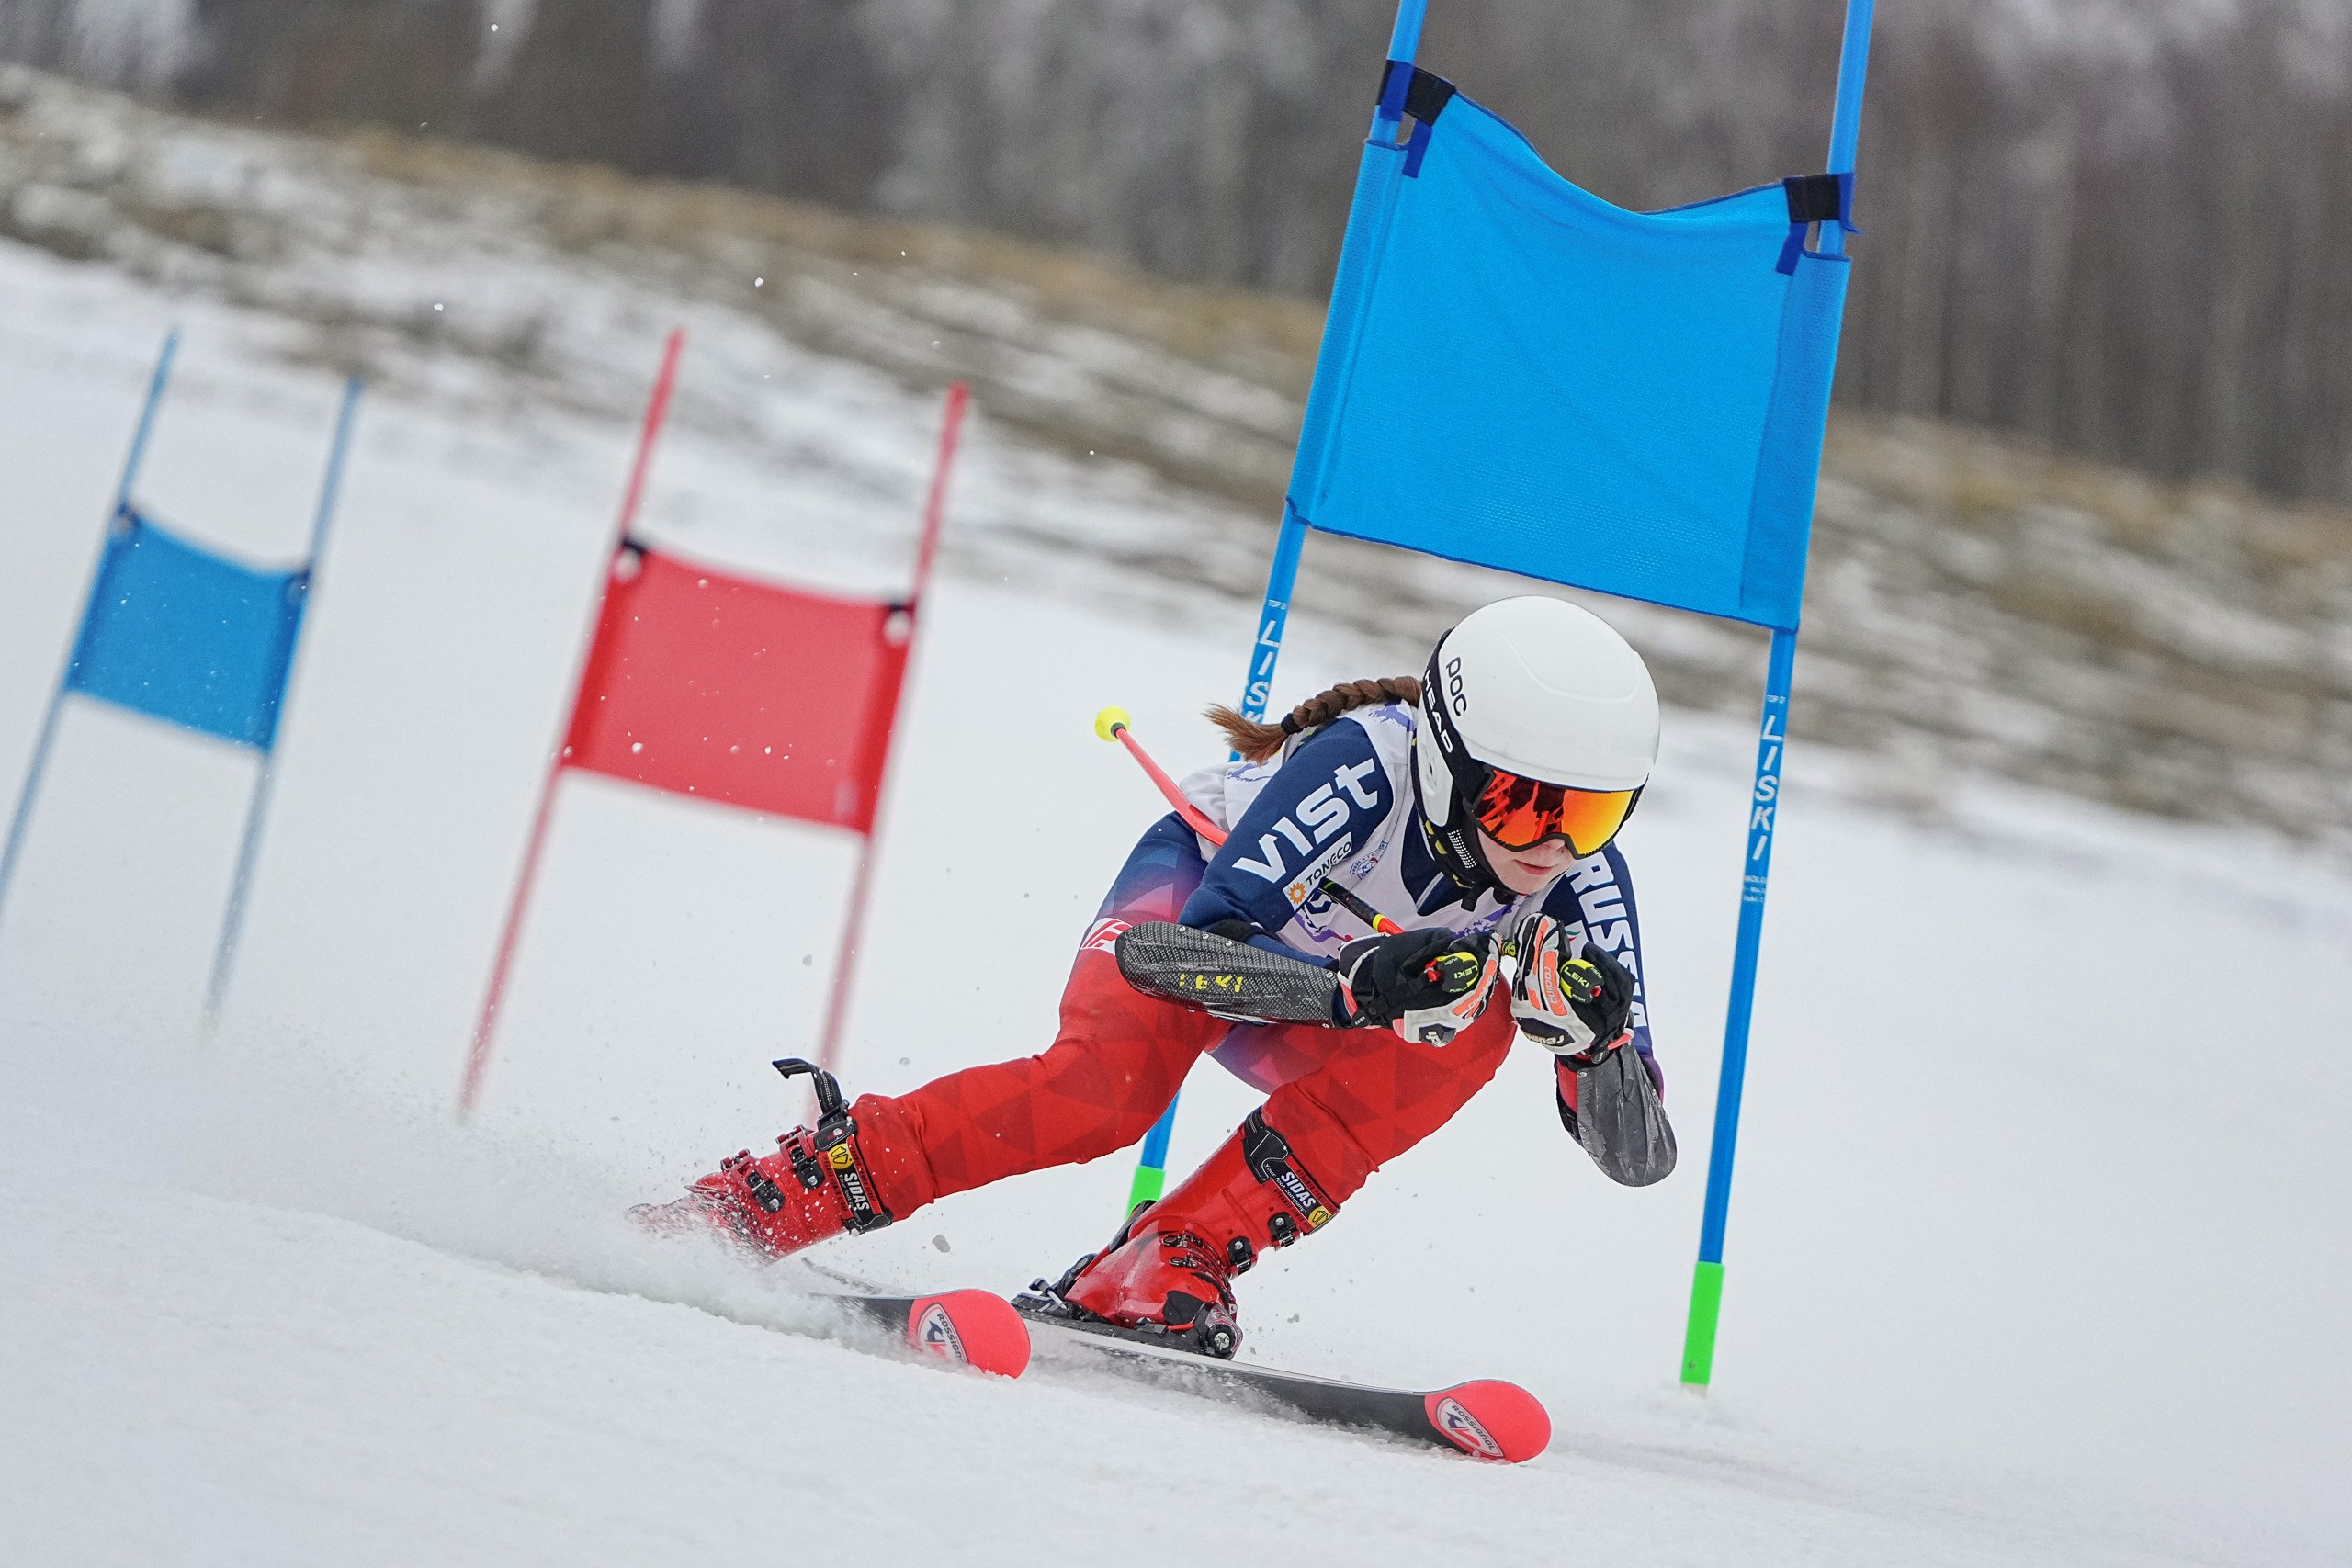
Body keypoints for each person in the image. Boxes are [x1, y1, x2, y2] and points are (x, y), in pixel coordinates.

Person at [639, 595, 1674, 1356]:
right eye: (1523, 804)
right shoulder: (1362, 768)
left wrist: (1594, 1052)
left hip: (1315, 997)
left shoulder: (1583, 888)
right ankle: (785, 1191)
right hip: (1194, 921)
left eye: (1588, 813)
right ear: (1448, 763)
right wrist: (1356, 989)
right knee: (1102, 1097)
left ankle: (1167, 1256)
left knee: (1484, 1022)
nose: (1551, 845)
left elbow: (1638, 1160)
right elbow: (1176, 958)